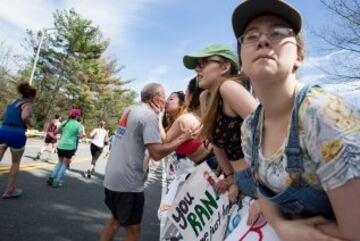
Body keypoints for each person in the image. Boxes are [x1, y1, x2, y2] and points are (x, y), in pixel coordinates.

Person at [232, 0, 360, 240]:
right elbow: (261, 188)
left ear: (298, 56)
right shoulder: (250, 128)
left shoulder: (323, 116)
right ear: (241, 62)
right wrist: (282, 225)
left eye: (278, 32)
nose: (263, 40)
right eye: (251, 36)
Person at [100, 83, 193, 241]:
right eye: (164, 98)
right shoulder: (148, 116)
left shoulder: (130, 109)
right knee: (134, 229)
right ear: (155, 99)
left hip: (112, 177)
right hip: (128, 182)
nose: (165, 102)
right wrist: (183, 139)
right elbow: (156, 154)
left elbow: (155, 139)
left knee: (115, 220)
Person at [183, 45, 258, 203]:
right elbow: (215, 144)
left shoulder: (229, 87)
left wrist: (267, 197)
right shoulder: (205, 97)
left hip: (262, 180)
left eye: (204, 63)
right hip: (241, 180)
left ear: (225, 67)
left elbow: (268, 131)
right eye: (197, 65)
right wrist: (231, 179)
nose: (197, 69)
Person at [159, 78, 218, 170]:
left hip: (209, 162)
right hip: (206, 162)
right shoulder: (191, 117)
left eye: (186, 91)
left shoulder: (185, 119)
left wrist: (155, 114)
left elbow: (163, 143)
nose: (166, 102)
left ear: (191, 96)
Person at [0, 82, 36, 199]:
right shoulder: (27, 104)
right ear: (31, 96)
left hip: (3, 131)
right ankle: (10, 190)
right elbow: (24, 116)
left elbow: (2, 117)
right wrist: (30, 124)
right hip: (16, 134)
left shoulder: (13, 102)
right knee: (15, 163)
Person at [46, 108, 85, 187]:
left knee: (59, 162)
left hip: (61, 146)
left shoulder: (64, 122)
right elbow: (81, 135)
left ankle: (52, 177)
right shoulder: (78, 125)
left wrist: (64, 132)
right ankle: (56, 181)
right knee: (64, 164)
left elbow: (56, 131)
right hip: (70, 147)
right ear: (77, 116)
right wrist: (75, 135)